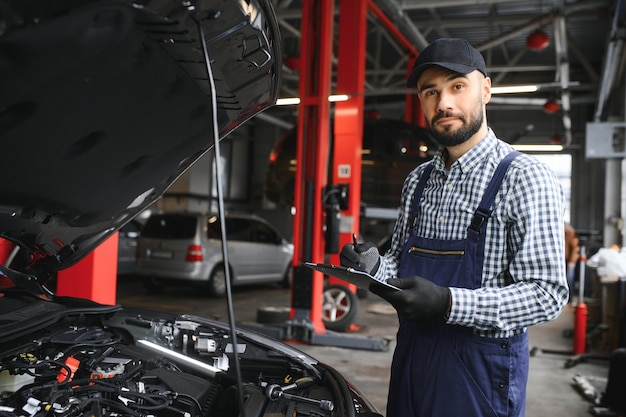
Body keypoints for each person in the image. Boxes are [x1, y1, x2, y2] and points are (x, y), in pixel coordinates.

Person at [340, 38, 569, 417]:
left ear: (486, 90)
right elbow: (402, 266)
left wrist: (449, 302)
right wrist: (375, 267)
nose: (443, 103)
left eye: (457, 87)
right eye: (431, 92)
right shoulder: (418, 181)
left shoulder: (526, 178)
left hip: (479, 377)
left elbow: (547, 294)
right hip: (412, 362)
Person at [564, 222, 580, 300]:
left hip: (569, 262)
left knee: (569, 280)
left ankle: (570, 298)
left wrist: (572, 261)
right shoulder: (565, 234)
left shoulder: (571, 234)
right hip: (564, 261)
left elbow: (575, 249)